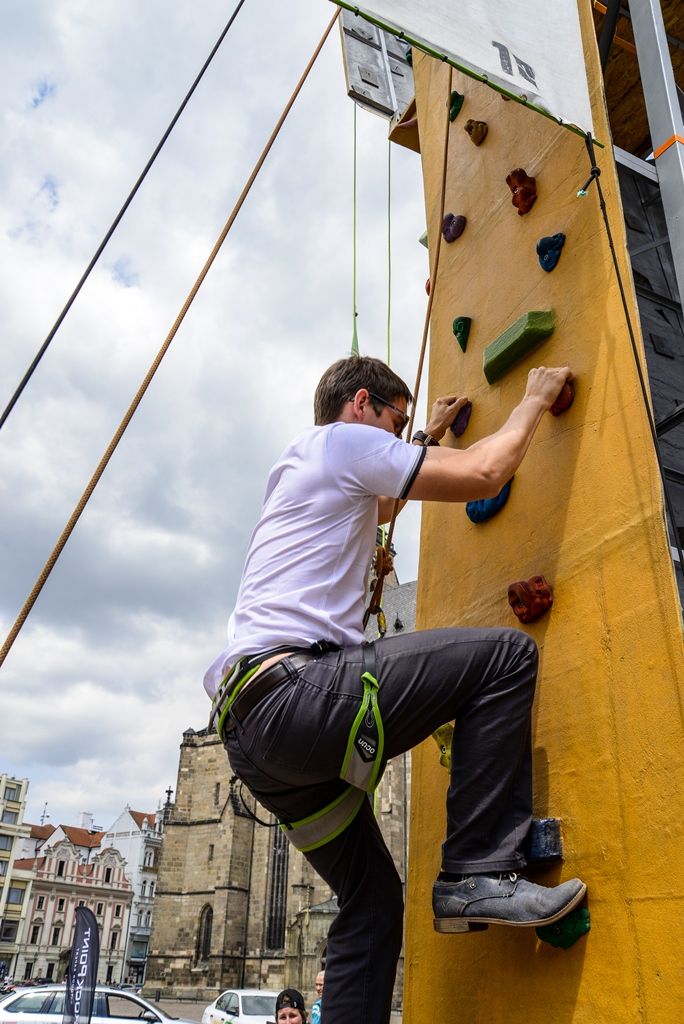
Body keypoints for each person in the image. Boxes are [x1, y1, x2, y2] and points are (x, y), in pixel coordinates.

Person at [205, 355, 587, 1024]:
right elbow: (485, 474)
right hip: (296, 695)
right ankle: (475, 870)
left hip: (255, 736)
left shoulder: (306, 464)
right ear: (360, 404)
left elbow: (384, 500)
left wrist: (425, 438)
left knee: (373, 901)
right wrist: (532, 398)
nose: (397, 432)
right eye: (395, 419)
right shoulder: (344, 441)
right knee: (503, 657)